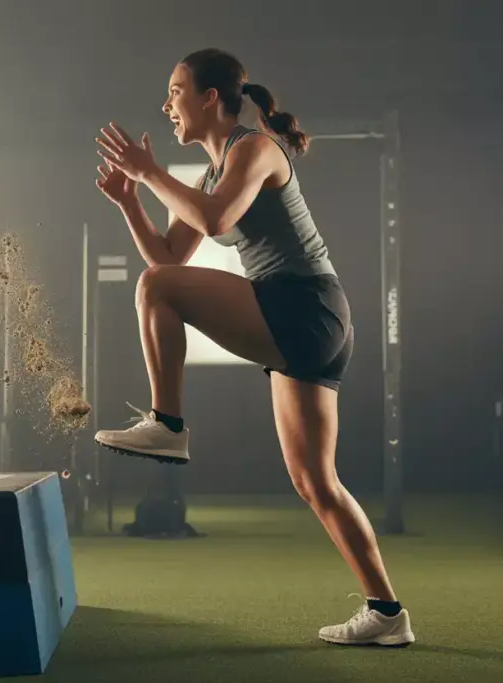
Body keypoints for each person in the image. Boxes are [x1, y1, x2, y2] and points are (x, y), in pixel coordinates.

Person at [92, 48, 416, 648]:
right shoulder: (211, 174)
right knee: (316, 483)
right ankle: (386, 611)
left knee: (155, 290)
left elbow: (215, 224)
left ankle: (167, 423)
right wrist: (131, 201)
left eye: (175, 91)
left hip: (304, 307)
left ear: (209, 97)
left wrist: (147, 174)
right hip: (309, 323)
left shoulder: (257, 149)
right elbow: (168, 254)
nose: (166, 105)